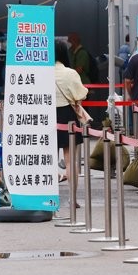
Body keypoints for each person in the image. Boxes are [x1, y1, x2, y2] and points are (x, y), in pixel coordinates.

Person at [54, 41, 88, 182]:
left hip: (45, 116)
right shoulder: (70, 73)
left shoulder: (40, 72)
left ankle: (48, 194)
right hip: (67, 116)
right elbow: (81, 95)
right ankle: (72, 199)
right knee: (70, 160)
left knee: (48, 159)